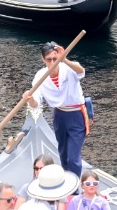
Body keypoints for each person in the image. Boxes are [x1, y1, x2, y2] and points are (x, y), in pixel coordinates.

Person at [23, 42, 88, 179]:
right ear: (43, 59)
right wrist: (29, 99)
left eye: (55, 58)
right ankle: (67, 180)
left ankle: (75, 189)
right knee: (63, 153)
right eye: (49, 60)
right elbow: (36, 103)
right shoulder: (40, 76)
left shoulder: (69, 67)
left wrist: (64, 58)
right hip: (59, 115)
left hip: (76, 114)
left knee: (73, 157)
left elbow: (81, 71)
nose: (53, 62)